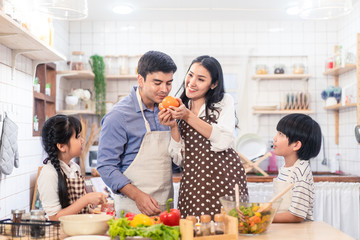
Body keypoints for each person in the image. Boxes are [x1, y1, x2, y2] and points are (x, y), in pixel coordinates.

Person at [159, 55, 248, 218]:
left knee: (225, 228)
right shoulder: (180, 108)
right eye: (190, 75)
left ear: (213, 84)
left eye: (200, 79)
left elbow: (224, 141)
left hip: (224, 179)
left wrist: (188, 117)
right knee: (193, 229)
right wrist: (173, 126)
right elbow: (181, 160)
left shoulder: (223, 102)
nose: (192, 82)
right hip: (194, 181)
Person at [97, 50, 177, 216]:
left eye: (169, 83)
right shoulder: (118, 116)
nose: (164, 89)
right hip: (132, 207)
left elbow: (172, 161)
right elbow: (106, 166)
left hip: (165, 206)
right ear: (140, 79)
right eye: (157, 83)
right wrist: (137, 196)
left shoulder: (169, 111)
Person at [38, 115, 107, 221]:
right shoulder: (49, 173)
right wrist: (86, 199)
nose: (82, 140)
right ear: (61, 146)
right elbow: (54, 217)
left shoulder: (74, 167)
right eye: (78, 137)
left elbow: (77, 208)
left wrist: (94, 213)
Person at [271, 113, 322, 223]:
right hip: (283, 229)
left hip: (298, 232)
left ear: (296, 145)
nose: (274, 138)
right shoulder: (285, 168)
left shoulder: (301, 171)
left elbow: (297, 215)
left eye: (280, 134)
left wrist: (265, 217)